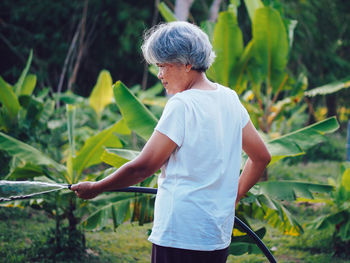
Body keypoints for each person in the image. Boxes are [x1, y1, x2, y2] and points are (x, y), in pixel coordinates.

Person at [71, 21, 271, 263]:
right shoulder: (229, 98)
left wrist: (97, 187)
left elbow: (144, 166)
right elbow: (261, 157)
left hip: (181, 233)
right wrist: (234, 196)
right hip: (216, 234)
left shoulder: (183, 104)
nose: (159, 75)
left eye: (163, 66)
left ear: (187, 64)